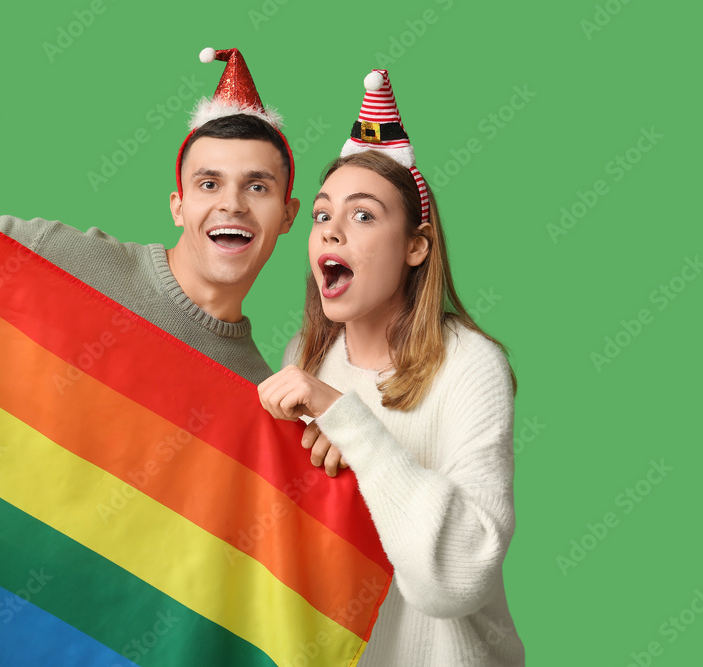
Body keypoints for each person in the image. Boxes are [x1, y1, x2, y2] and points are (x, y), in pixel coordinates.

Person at [0, 47, 299, 383]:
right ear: (178, 206)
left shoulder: (259, 394)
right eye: (208, 184)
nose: (231, 204)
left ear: (287, 214)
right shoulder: (60, 258)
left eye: (257, 186)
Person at [257, 71, 525, 665]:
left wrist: (348, 423)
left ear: (416, 246)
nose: (331, 229)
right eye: (322, 215)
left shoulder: (470, 366)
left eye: (364, 216)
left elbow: (455, 580)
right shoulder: (305, 358)